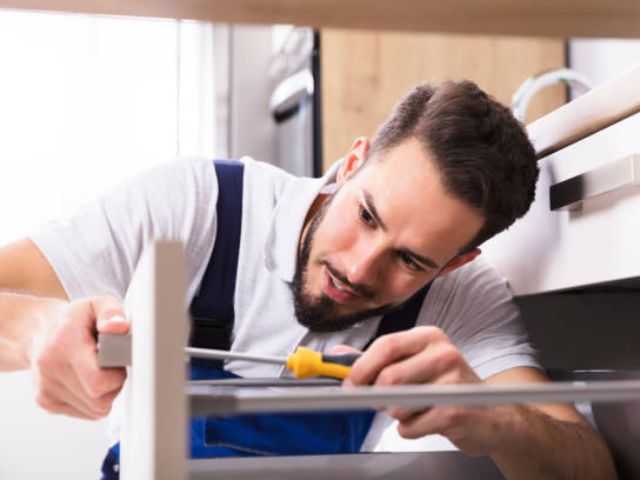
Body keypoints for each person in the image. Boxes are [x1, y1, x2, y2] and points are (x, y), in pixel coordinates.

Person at [0, 80, 616, 479]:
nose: (358, 267)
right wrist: (38, 330)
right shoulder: (193, 206)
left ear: (453, 264)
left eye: (410, 261)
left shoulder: (461, 297)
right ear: (349, 165)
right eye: (366, 214)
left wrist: (495, 418)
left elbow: (590, 466)